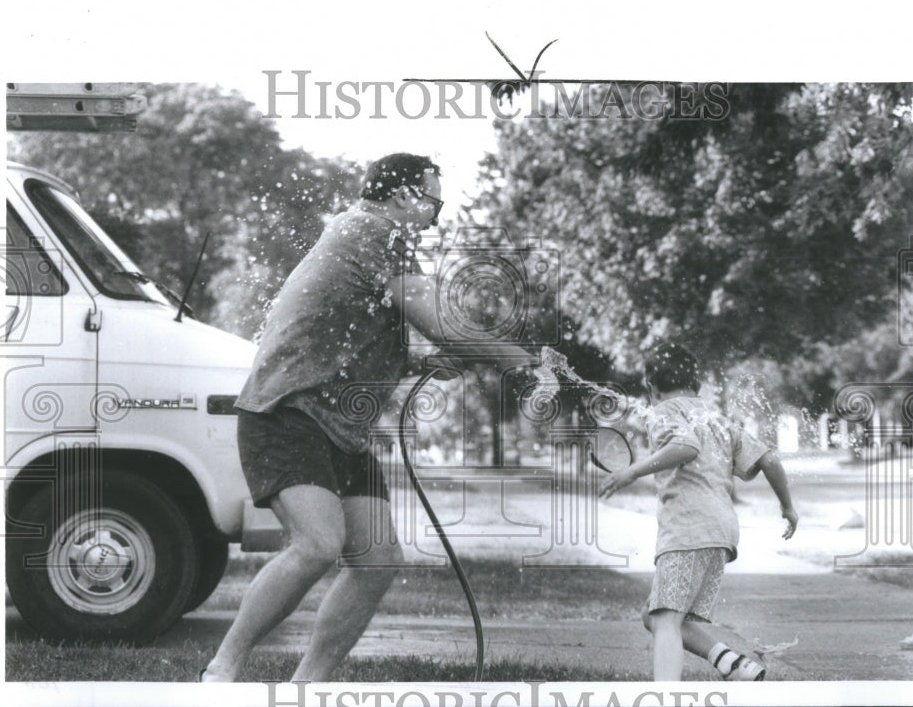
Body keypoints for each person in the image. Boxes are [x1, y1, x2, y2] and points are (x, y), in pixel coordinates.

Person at [202, 153, 547, 682]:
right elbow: (446, 325)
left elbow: (344, 328)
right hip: (287, 411)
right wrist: (520, 361)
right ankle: (221, 670)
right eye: (433, 202)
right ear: (405, 195)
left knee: (378, 559)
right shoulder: (375, 233)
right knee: (318, 546)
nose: (435, 217)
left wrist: (416, 360)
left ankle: (306, 686)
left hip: (338, 425)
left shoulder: (357, 233)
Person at [598, 342, 798, 682]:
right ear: (698, 384)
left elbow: (686, 446)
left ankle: (666, 699)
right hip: (721, 531)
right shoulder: (716, 417)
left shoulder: (662, 411)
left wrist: (633, 471)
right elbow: (770, 459)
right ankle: (735, 666)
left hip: (688, 527)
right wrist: (788, 506)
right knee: (658, 615)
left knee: (665, 620)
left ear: (652, 387)